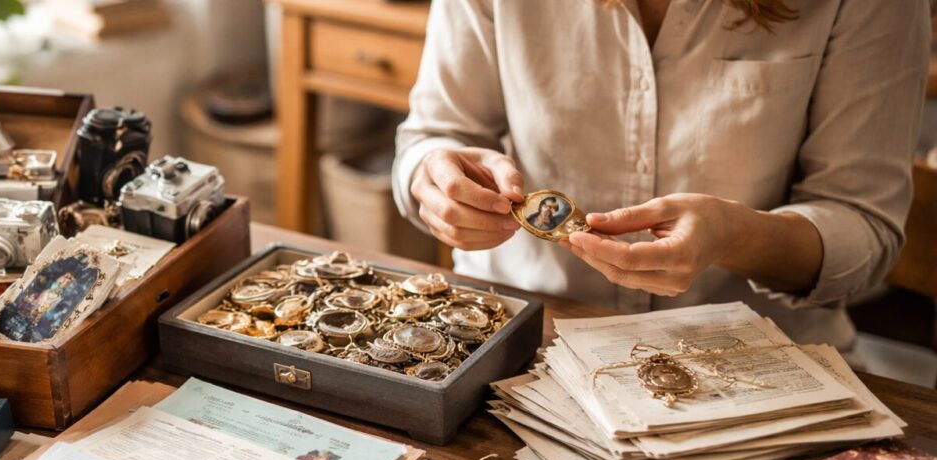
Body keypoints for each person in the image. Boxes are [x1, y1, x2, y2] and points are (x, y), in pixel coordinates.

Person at [393, 0, 930, 353]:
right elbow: (433, 135)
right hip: (516, 336)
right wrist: (432, 180)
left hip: (755, 359)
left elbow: (865, 227)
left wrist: (735, 237)